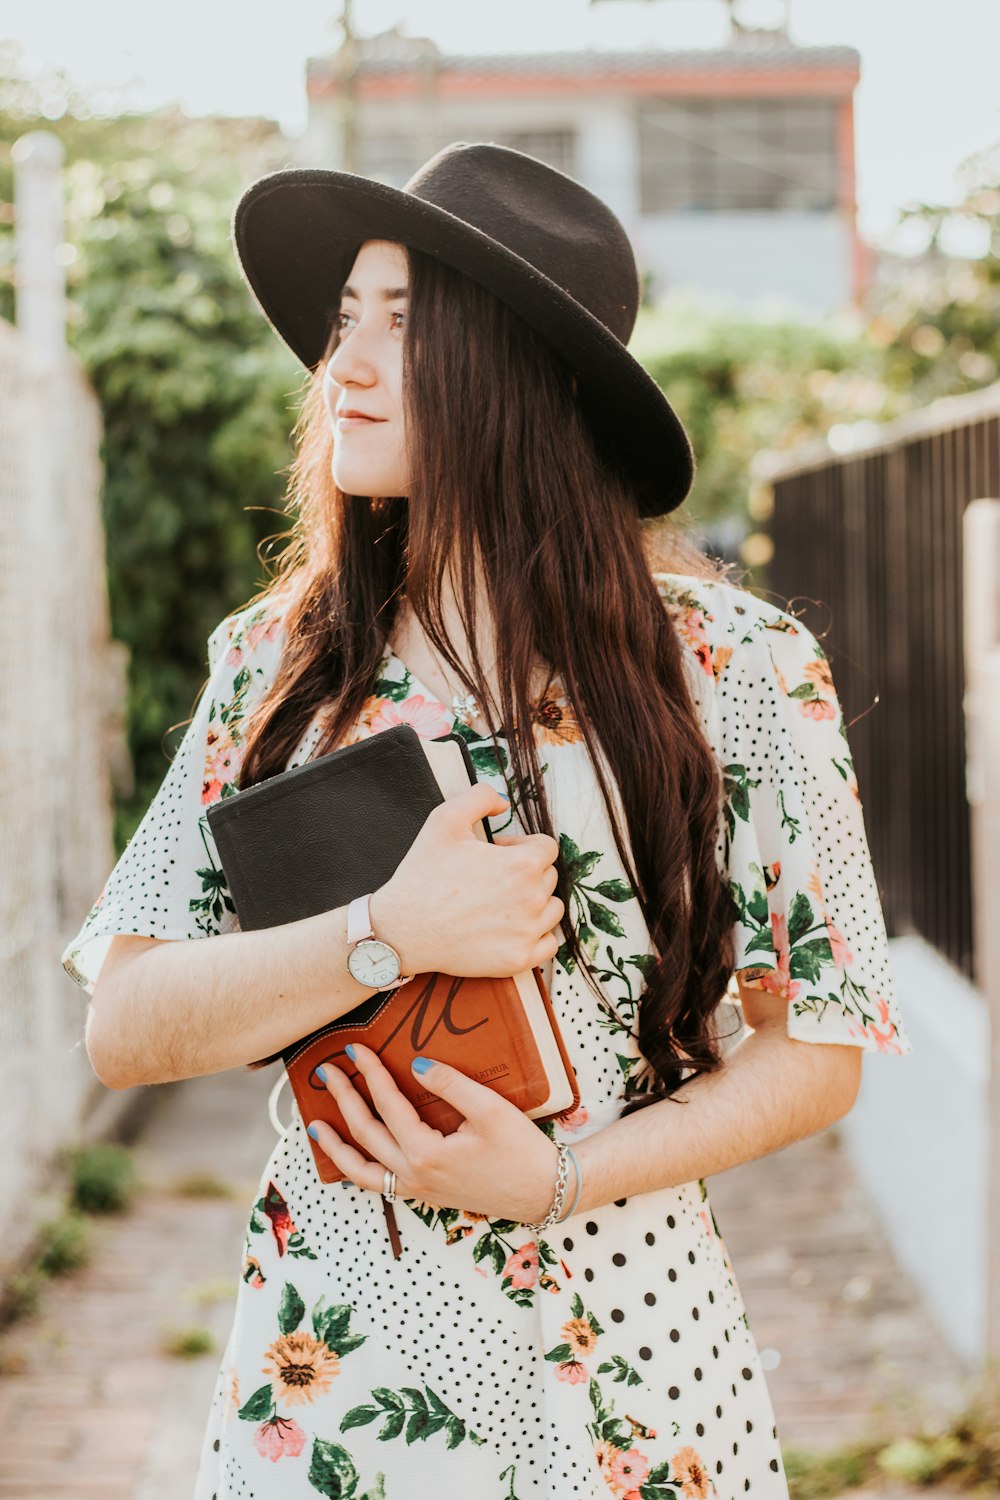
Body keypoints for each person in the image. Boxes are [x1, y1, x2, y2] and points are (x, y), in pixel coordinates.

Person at [61, 142, 910, 1500]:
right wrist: (381, 933)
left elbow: (819, 1042)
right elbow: (128, 1023)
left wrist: (557, 1178)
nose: (340, 365)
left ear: (515, 373)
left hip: (634, 1368)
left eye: (400, 327)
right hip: (336, 1387)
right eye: (342, 321)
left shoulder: (737, 671)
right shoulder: (272, 668)